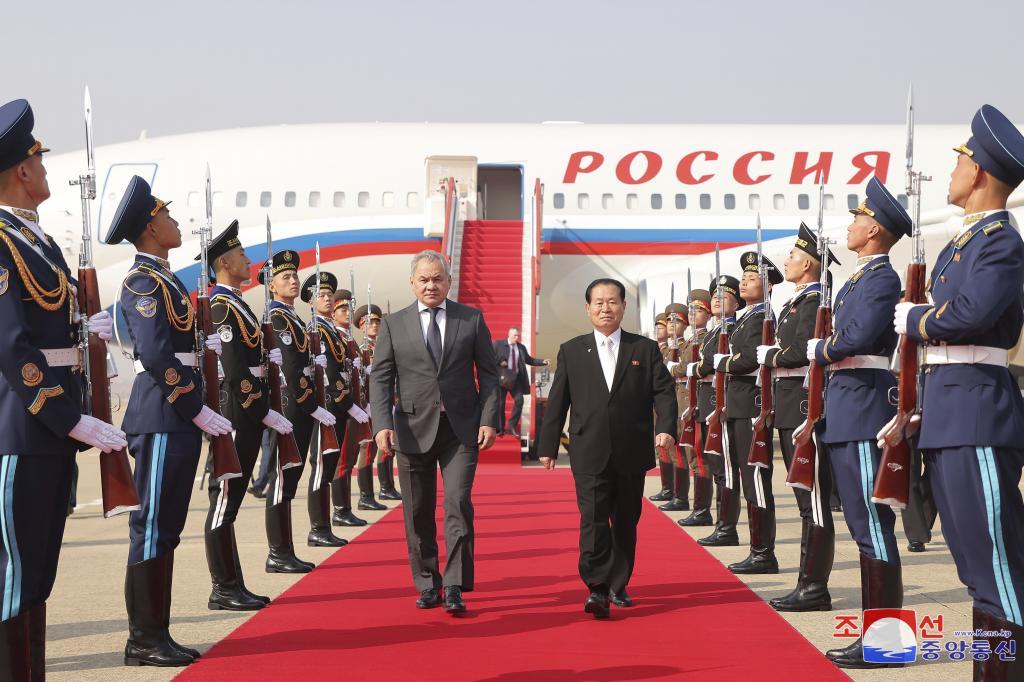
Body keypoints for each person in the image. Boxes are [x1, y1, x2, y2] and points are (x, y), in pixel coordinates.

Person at [896, 104, 1024, 680]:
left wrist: (916, 318)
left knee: (999, 566)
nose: (952, 171)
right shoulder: (963, 243)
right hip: (949, 409)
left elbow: (970, 313)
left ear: (980, 175)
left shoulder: (999, 242)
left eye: (960, 161)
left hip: (976, 411)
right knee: (975, 567)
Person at [0, 98, 126, 678]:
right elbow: (11, 347)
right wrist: (66, 417)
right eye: (39, 161)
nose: (48, 170)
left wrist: (84, 328)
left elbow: (48, 324)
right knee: (14, 577)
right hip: (24, 428)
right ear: (21, 171)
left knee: (40, 576)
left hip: (51, 432)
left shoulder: (41, 242)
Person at [104, 175, 230, 666]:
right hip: (162, 415)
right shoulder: (142, 282)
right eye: (168, 216)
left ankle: (157, 630)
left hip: (176, 417)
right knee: (152, 525)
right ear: (151, 227)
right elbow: (156, 354)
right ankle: (144, 637)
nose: (177, 223)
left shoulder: (166, 280)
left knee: (169, 526)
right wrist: (194, 406)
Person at [809, 176, 908, 669]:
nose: (849, 226)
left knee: (873, 527)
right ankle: (878, 638)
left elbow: (858, 336)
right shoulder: (860, 278)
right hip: (847, 408)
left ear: (873, 229)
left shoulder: (881, 279)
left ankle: (886, 642)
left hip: (865, 410)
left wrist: (822, 348)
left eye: (856, 219)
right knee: (863, 525)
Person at [538, 277, 677, 619]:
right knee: (594, 519)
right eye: (598, 302)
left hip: (632, 447)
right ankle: (597, 587)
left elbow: (664, 392)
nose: (605, 308)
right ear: (588, 309)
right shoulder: (572, 350)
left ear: (623, 307)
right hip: (588, 448)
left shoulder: (643, 349)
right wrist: (549, 444)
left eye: (612, 301)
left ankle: (619, 582)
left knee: (627, 519)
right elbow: (558, 401)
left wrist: (666, 429)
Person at [370, 250, 499, 614]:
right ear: (412, 283)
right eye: (424, 279)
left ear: (448, 282)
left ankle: (455, 584)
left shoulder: (470, 319)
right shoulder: (394, 325)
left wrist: (489, 419)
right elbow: (380, 378)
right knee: (417, 510)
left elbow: (488, 374)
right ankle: (428, 582)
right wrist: (381, 424)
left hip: (460, 429)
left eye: (437, 279)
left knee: (457, 503)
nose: (431, 285)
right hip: (411, 428)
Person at [201, 220, 293, 610]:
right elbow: (235, 369)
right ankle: (223, 586)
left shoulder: (237, 302)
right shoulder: (220, 305)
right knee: (224, 498)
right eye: (241, 255)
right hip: (237, 411)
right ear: (224, 261)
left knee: (233, 500)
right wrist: (261, 411)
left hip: (249, 410)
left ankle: (233, 582)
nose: (248, 260)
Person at [762, 224, 838, 611]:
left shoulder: (812, 304)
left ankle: (814, 587)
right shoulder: (797, 302)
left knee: (814, 501)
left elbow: (800, 352)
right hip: (791, 405)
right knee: (805, 499)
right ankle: (807, 582)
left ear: (808, 264)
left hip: (805, 408)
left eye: (792, 256)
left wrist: (772, 356)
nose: (787, 262)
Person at [259, 250, 339, 572]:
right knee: (282, 480)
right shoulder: (277, 317)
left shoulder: (292, 317)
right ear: (272, 285)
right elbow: (292, 371)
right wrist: (313, 406)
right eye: (285, 277)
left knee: (289, 481)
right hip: (291, 409)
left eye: (294, 276)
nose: (293, 281)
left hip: (301, 409)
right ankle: (277, 552)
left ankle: (285, 549)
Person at [714, 253, 783, 575]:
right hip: (739, 404)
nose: (743, 281)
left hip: (751, 405)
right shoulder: (747, 317)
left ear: (768, 286)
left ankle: (763, 553)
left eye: (752, 278)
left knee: (756, 478)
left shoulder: (762, 318)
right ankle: (758, 550)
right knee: (747, 475)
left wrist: (722, 363)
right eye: (743, 277)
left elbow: (749, 360)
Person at [301, 272, 366, 546]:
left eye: (330, 295)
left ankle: (324, 526)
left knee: (328, 468)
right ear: (311, 301)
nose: (327, 299)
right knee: (321, 468)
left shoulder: (330, 330)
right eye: (322, 296)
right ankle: (318, 528)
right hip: (327, 405)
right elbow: (329, 369)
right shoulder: (316, 329)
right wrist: (349, 404)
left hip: (337, 406)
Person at [692, 275, 741, 546]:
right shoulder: (714, 331)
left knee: (725, 469)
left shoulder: (732, 328)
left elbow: (710, 363)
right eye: (714, 296)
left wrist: (698, 368)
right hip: (708, 401)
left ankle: (727, 528)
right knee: (714, 463)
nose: (716, 300)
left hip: (720, 403)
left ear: (736, 304)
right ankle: (722, 524)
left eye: (724, 297)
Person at [673, 289, 715, 527]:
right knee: (690, 453)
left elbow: (689, 367)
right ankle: (697, 506)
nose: (692, 313)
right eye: (691, 309)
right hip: (685, 400)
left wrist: (674, 368)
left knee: (699, 455)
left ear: (708, 314)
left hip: (696, 400)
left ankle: (702, 510)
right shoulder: (691, 340)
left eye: (698, 310)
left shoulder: (704, 338)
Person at [330, 289, 371, 527]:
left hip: (357, 404)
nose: (347, 312)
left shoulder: (349, 338)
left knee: (351, 457)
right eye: (342, 309)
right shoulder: (335, 335)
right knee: (343, 460)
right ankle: (340, 509)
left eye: (348, 308)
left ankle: (345, 507)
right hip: (344, 406)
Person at [354, 303, 390, 510]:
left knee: (382, 445)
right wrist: (364, 404)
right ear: (361, 325)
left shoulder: (379, 347)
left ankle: (385, 487)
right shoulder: (363, 349)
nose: (375, 325)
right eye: (370, 322)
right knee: (367, 449)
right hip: (367, 405)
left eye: (377, 321)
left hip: (382, 403)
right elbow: (359, 380)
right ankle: (366, 496)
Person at [658, 303, 691, 512]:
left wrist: (675, 368)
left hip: (683, 400)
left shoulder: (686, 346)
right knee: (670, 448)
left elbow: (683, 370)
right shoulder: (667, 348)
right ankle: (672, 492)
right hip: (670, 398)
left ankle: (681, 497)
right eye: (668, 320)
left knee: (686, 451)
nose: (671, 324)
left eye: (676, 320)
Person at [493, 326, 549, 438]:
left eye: (518, 335)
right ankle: (500, 428)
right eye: (514, 335)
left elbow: (529, 360)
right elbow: (489, 358)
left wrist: (542, 361)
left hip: (516, 379)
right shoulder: (498, 344)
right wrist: (500, 361)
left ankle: (511, 426)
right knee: (500, 404)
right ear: (509, 335)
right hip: (501, 378)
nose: (516, 337)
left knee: (520, 401)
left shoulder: (521, 347)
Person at [648, 313, 675, 502]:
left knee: (683, 453)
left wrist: (679, 368)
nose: (659, 330)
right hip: (658, 405)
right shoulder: (658, 349)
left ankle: (677, 494)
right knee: (661, 449)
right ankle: (667, 488)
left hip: (679, 403)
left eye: (662, 326)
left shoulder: (677, 348)